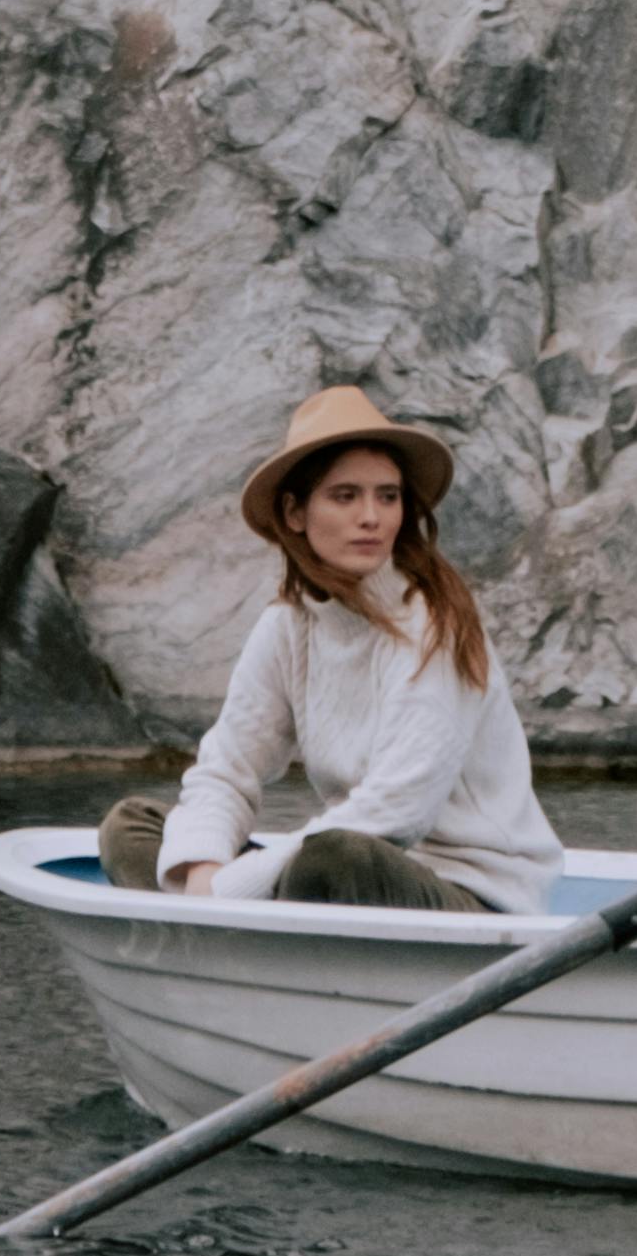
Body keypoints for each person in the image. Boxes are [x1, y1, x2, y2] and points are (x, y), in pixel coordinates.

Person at [100, 383, 562, 912]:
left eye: (388, 496)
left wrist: (229, 888)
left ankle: (225, 941)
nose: (372, 517)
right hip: (346, 877)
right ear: (296, 513)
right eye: (346, 496)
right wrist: (203, 869)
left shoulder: (435, 624)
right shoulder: (287, 627)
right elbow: (226, 770)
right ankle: (228, 938)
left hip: (471, 895)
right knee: (132, 828)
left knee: (334, 856)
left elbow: (397, 811)